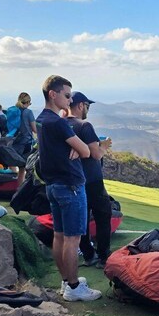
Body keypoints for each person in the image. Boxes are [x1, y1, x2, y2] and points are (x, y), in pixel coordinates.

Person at [35, 75, 103, 302]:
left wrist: (74, 146)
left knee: (60, 236)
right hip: (71, 186)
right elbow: (87, 152)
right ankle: (74, 287)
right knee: (73, 239)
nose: (69, 100)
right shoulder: (58, 122)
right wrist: (77, 147)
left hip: (53, 185)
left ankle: (66, 282)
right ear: (52, 94)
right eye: (66, 95)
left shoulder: (42, 120)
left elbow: (68, 148)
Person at [66, 91, 113, 268]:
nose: (87, 109)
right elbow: (95, 154)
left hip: (73, 181)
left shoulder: (61, 124)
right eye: (87, 106)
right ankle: (103, 256)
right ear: (80, 105)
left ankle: (88, 254)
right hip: (92, 180)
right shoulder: (84, 126)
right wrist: (104, 146)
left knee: (82, 219)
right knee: (103, 215)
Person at [8, 92, 38, 185]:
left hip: (14, 142)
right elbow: (34, 129)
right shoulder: (28, 112)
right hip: (26, 143)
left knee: (14, 165)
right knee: (23, 168)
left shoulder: (14, 111)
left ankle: (13, 186)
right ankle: (20, 189)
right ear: (28, 102)